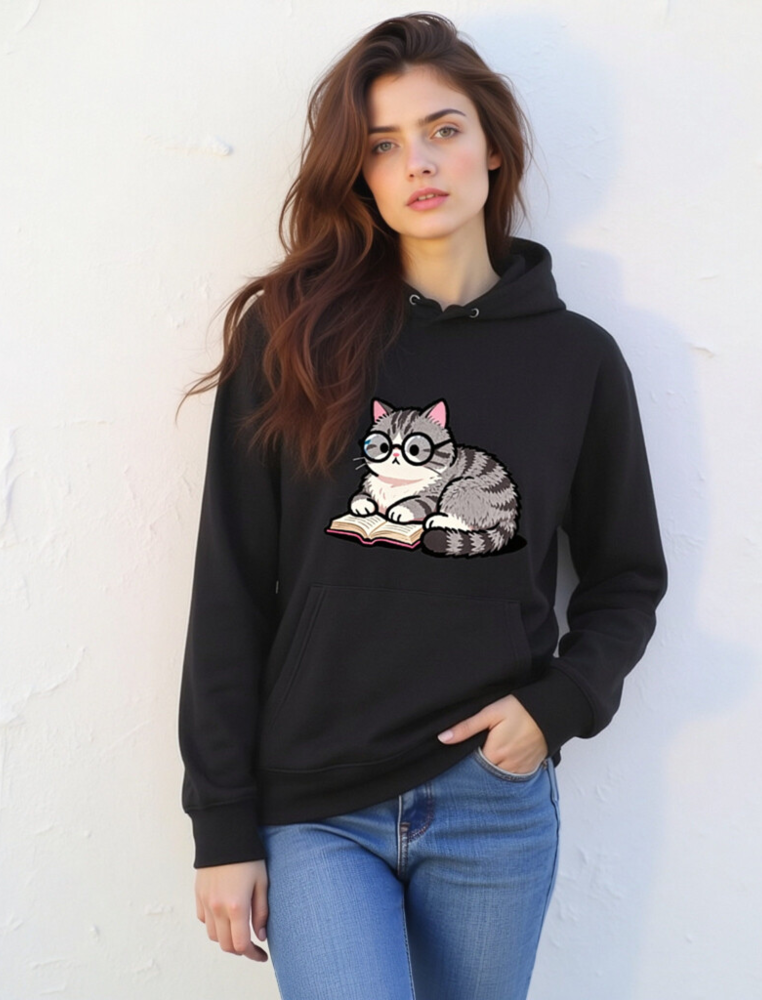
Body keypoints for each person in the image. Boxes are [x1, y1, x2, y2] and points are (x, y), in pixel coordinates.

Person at [176, 12, 667, 1000]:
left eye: (443, 129)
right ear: (358, 174)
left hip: (491, 799)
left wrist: (556, 707)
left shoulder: (577, 361)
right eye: (383, 145)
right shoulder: (293, 338)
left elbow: (626, 576)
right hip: (316, 803)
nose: (420, 163)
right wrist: (222, 824)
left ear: (493, 143)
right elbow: (230, 585)